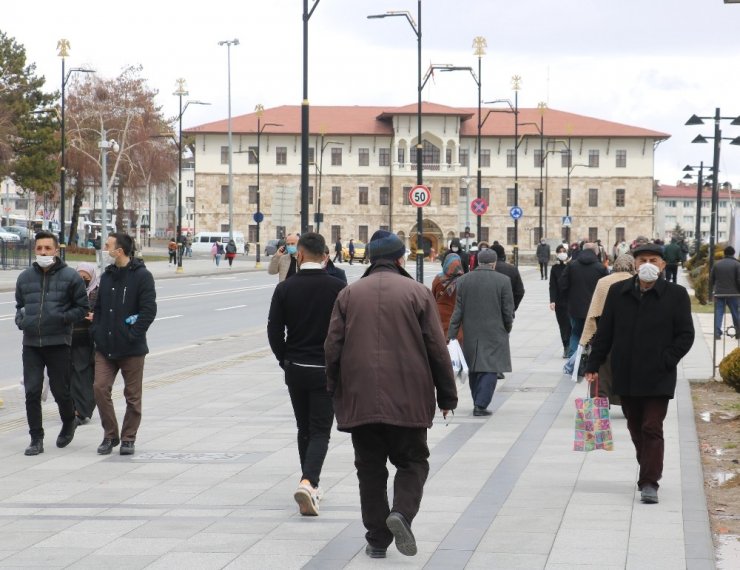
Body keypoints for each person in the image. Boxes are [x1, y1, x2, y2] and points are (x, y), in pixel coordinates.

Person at [325, 230, 457, 559]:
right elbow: (437, 349)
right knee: (413, 461)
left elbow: (332, 348)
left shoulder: (349, 294)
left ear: (370, 258)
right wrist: (447, 397)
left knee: (369, 469)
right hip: (409, 397)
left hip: (361, 398)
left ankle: (376, 539)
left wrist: (334, 389)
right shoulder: (417, 293)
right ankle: (401, 512)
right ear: (400, 258)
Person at [585, 243, 694, 504]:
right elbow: (605, 333)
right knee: (635, 428)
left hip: (659, 374)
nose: (648, 264)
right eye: (643, 259)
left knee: (651, 426)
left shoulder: (676, 294)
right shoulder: (617, 292)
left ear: (663, 265)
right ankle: (648, 468)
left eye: (653, 260)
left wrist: (667, 359)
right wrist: (592, 365)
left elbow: (686, 335)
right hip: (626, 372)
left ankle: (649, 482)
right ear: (634, 264)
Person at [268, 233, 346, 516]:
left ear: (298, 255)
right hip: (325, 368)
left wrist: (284, 358)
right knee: (321, 431)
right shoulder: (338, 288)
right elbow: (345, 331)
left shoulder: (286, 288)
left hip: (296, 368)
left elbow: (274, 331)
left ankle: (310, 483)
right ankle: (309, 481)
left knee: (304, 427)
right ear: (324, 256)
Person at [15, 231, 89, 456]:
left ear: (56, 251)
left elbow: (82, 308)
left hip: (58, 342)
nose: (43, 252)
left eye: (48, 248)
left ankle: (69, 421)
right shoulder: (25, 277)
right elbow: (20, 306)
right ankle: (36, 438)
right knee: (32, 391)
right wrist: (21, 320)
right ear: (34, 250)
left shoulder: (70, 276)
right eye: (39, 248)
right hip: (32, 344)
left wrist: (62, 318)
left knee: (60, 391)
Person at [92, 233, 157, 456]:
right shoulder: (107, 275)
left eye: (108, 245)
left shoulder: (142, 276)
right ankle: (110, 435)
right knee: (99, 388)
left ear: (119, 251)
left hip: (131, 348)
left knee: (133, 396)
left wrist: (133, 334)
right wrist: (97, 332)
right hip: (105, 347)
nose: (105, 248)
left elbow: (149, 310)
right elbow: (98, 307)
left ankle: (129, 438)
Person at [448, 249, 514, 416]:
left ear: (477, 261)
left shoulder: (464, 280)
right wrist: (508, 327)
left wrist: (452, 334)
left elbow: (458, 310)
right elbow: (508, 310)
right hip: (495, 331)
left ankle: (477, 400)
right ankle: (481, 404)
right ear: (494, 263)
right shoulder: (503, 281)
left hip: (471, 331)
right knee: (490, 368)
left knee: (475, 368)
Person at [579, 253, 636, 404]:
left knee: (602, 369)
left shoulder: (603, 282)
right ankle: (626, 402)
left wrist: (587, 336)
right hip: (630, 333)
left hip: (604, 331)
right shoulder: (635, 282)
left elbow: (594, 310)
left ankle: (601, 401)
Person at [559, 242, 608, 357]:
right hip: (596, 308)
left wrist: (569, 299)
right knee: (595, 335)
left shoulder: (572, 266)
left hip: (575, 307)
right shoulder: (600, 268)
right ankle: (592, 361)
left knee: (576, 333)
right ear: (596, 252)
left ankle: (573, 361)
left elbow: (562, 285)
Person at [70, 262, 100, 425]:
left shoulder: (98, 293)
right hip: (71, 338)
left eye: (85, 278)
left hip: (89, 341)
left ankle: (82, 410)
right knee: (70, 375)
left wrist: (96, 317)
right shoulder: (70, 292)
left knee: (85, 376)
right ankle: (72, 408)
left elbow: (106, 311)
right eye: (79, 277)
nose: (82, 280)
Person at [431, 253, 464, 342]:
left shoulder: (438, 278)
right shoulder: (463, 280)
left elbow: (432, 295)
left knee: (440, 340)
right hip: (455, 315)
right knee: (455, 343)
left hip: (439, 314)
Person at [710, 245, 740, 340]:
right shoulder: (737, 264)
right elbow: (739, 280)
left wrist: (711, 292)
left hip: (719, 293)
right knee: (735, 313)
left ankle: (717, 333)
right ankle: (738, 332)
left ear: (724, 253)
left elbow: (711, 280)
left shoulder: (717, 264)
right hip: (734, 293)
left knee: (719, 312)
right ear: (733, 253)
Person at [549, 245, 572, 358]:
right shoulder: (555, 268)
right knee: (563, 325)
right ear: (557, 253)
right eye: (560, 251)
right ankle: (566, 347)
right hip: (559, 301)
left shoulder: (572, 266)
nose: (562, 253)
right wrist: (552, 300)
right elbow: (552, 286)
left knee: (571, 325)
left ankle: (572, 347)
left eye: (564, 251)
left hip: (571, 300)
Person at [491, 244, 525, 311]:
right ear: (503, 255)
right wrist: (512, 307)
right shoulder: (512, 269)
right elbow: (519, 292)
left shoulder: (485, 269)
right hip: (507, 308)